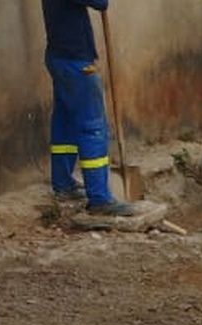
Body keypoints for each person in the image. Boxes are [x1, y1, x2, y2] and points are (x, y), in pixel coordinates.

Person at [41, 0, 135, 216]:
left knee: (64, 123)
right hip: (75, 60)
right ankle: (100, 198)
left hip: (59, 56)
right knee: (92, 127)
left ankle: (63, 184)